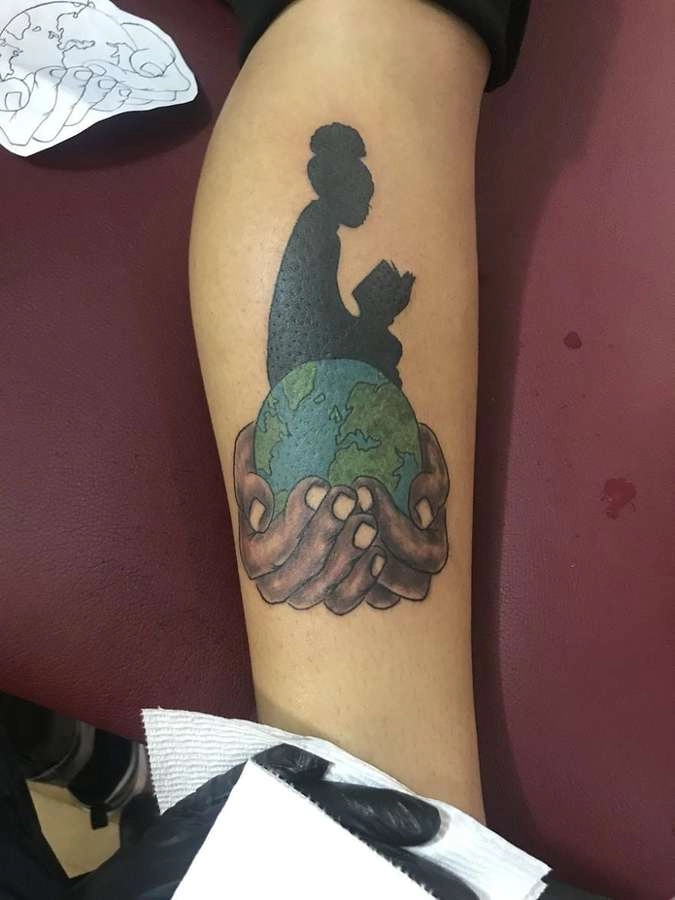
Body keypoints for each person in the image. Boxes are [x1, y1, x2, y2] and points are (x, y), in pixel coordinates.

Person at [0, 0, 610, 896]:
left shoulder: (326, 230)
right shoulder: (316, 226)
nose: (363, 192)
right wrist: (382, 827)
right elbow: (300, 342)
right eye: (354, 178)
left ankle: (72, 757)